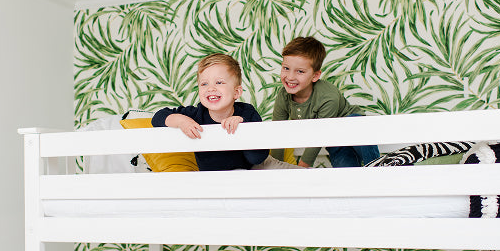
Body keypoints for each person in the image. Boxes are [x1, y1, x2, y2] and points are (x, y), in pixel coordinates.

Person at [271, 36, 380, 168]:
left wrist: (301, 168)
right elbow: (278, 133)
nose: (290, 77)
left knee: (357, 125)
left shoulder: (328, 96)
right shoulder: (283, 96)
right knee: (344, 171)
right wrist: (275, 167)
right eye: (286, 68)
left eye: (300, 71)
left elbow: (319, 135)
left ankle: (378, 166)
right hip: (334, 139)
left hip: (348, 124)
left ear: (315, 75)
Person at [151, 53, 269, 171]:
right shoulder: (196, 114)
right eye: (204, 84)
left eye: (219, 82)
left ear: (236, 92)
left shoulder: (247, 112)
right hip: (210, 178)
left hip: (249, 172)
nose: (210, 88)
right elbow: (157, 117)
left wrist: (243, 126)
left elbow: (257, 158)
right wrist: (182, 121)